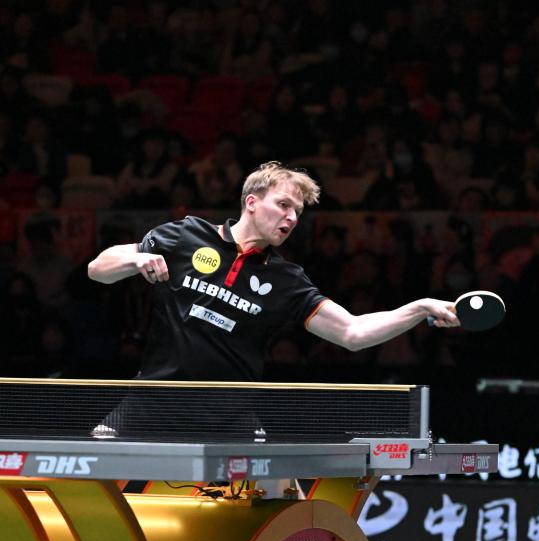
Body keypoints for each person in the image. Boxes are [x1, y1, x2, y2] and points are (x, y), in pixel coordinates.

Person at [87, 161, 458, 423]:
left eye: (298, 211)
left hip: (229, 418)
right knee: (81, 476)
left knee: (285, 498)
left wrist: (420, 308)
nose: (292, 218)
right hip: (151, 403)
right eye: (283, 205)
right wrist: (136, 259)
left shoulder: (286, 280)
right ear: (251, 202)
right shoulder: (186, 235)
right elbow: (97, 270)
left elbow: (352, 333)